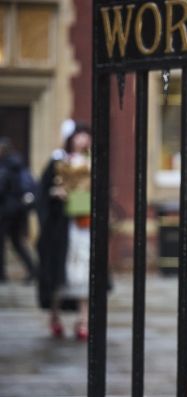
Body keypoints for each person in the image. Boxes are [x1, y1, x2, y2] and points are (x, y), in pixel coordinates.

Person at [36, 120, 92, 340]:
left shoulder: (91, 161)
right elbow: (43, 191)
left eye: (86, 135)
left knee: (85, 271)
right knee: (61, 272)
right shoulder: (58, 160)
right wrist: (56, 193)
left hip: (85, 224)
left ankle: (84, 319)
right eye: (79, 135)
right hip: (62, 227)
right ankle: (55, 315)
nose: (83, 139)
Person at [0, 137, 38, 283]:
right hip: (19, 210)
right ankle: (33, 270)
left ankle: (2, 274)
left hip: (7, 211)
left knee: (4, 242)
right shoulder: (18, 164)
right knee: (17, 241)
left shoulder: (6, 166)